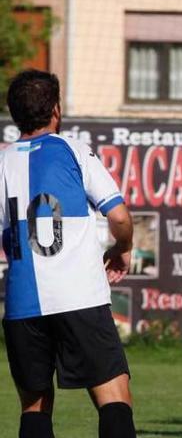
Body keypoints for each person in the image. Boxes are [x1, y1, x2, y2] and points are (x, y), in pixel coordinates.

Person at [1, 69, 137, 438]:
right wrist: (122, 248)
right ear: (56, 110)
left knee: (34, 407)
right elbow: (120, 216)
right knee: (114, 397)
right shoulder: (73, 149)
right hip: (79, 297)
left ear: (14, 115)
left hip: (22, 304)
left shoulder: (1, 161)